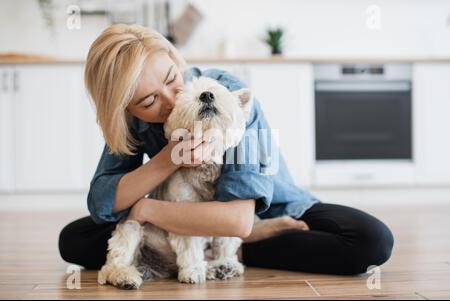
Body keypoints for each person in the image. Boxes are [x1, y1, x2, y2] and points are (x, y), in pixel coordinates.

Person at [58, 24, 394, 276]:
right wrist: (167, 159)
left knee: (371, 240)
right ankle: (229, 251)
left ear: (176, 59)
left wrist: (144, 211)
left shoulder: (229, 95)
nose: (173, 99)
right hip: (184, 217)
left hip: (267, 210)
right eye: (149, 101)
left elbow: (236, 218)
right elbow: (102, 202)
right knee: (74, 239)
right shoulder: (132, 122)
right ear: (127, 110)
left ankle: (234, 249)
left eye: (172, 77)